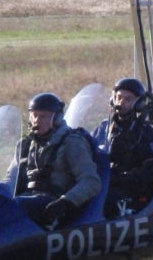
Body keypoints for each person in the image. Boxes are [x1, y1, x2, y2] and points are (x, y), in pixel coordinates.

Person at [15, 92, 100, 228]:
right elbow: (10, 179)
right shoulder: (24, 145)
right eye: (34, 115)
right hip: (27, 199)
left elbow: (91, 181)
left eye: (43, 116)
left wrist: (65, 202)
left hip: (54, 204)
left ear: (57, 118)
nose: (37, 120)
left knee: (17, 206)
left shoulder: (72, 142)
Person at [96, 77, 153, 218]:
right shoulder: (104, 127)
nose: (121, 103)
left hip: (129, 190)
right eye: (119, 97)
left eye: (128, 99)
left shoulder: (146, 132)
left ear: (138, 103)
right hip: (103, 182)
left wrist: (124, 178)